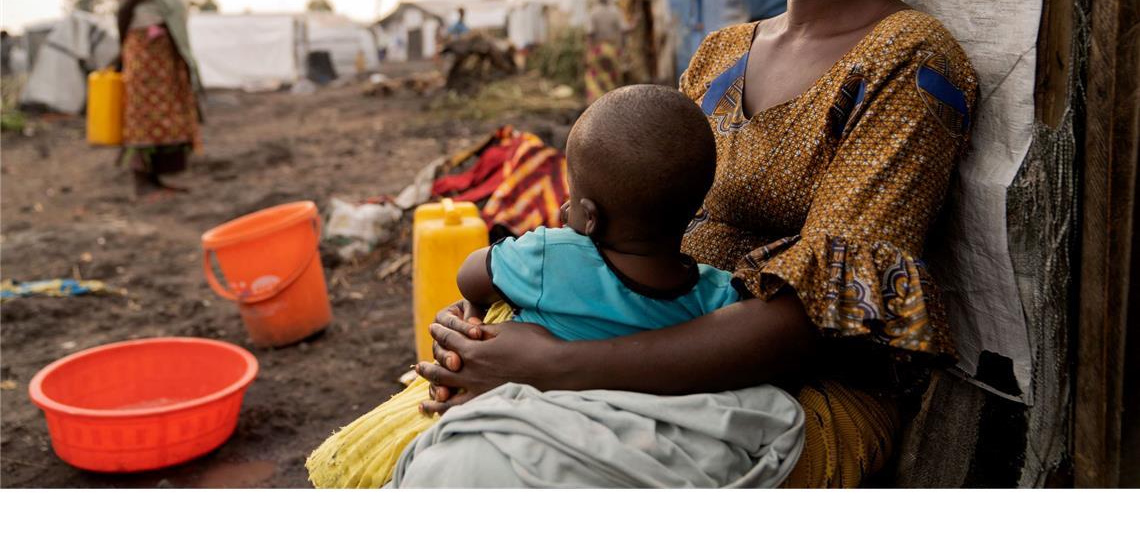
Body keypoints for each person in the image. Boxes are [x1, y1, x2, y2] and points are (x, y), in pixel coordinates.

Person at [368, 0, 980, 488]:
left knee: (476, 470)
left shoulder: (909, 64)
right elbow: (622, 216)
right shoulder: (720, 55)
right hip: (619, 335)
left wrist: (558, 364)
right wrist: (495, 324)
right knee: (415, 448)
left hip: (791, 390)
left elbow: (814, 328)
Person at [307, 85, 808, 487]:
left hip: (523, 409)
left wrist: (482, 294)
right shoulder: (718, 294)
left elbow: (470, 275)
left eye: (571, 195)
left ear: (586, 216)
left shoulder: (552, 257)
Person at [115, 0, 204, 198]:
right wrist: (123, 48)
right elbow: (125, 8)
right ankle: (142, 180)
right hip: (146, 47)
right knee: (145, 112)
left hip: (161, 49)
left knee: (163, 111)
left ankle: (155, 178)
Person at [584, 0, 630, 103]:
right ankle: (613, 102)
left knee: (594, 77)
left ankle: (596, 103)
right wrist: (635, 24)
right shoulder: (615, 11)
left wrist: (588, 52)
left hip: (597, 50)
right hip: (611, 50)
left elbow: (590, 34)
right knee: (612, 77)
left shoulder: (593, 12)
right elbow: (624, 30)